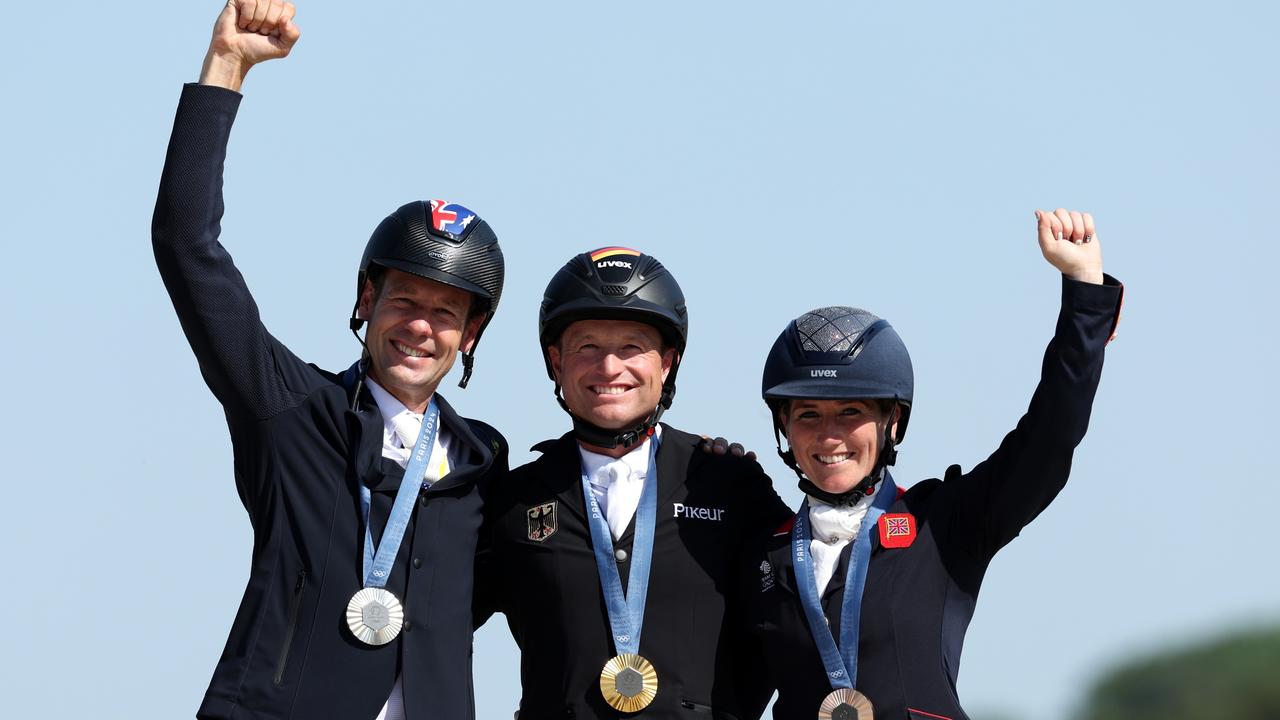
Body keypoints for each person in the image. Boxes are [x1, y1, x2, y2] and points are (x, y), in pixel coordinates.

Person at [153, 3, 508, 718]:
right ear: (367, 300)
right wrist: (226, 68)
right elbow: (187, 245)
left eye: (446, 314)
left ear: (470, 336)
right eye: (404, 299)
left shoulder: (484, 464)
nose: (420, 327)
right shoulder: (289, 410)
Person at [743, 209, 1123, 720]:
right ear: (784, 427)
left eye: (850, 413)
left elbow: (1050, 437)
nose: (829, 436)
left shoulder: (946, 525)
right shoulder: (761, 553)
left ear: (892, 422)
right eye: (808, 415)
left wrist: (1083, 293)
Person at [475, 247, 793, 719]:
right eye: (587, 347)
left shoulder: (729, 485)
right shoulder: (514, 499)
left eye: (631, 347)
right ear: (556, 361)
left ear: (667, 363)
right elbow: (433, 619)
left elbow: (799, 624)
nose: (609, 368)